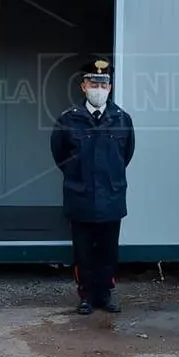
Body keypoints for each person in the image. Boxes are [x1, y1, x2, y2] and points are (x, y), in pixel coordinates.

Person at [50, 58, 135, 315]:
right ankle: (85, 295)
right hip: (81, 195)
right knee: (83, 251)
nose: (98, 88)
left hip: (111, 195)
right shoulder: (69, 119)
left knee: (108, 250)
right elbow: (59, 154)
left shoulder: (121, 119)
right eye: (93, 82)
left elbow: (127, 154)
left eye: (103, 83)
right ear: (83, 86)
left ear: (109, 88)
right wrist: (77, 177)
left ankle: (105, 294)